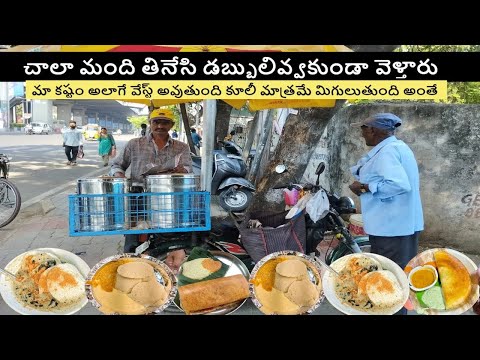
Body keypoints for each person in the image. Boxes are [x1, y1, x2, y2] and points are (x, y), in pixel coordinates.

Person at [348, 113, 424, 315]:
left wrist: (365, 187)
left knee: (392, 277)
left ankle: (393, 310)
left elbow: (399, 185)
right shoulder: (396, 147)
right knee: (398, 275)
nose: (362, 134)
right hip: (399, 224)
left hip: (392, 227)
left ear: (372, 130)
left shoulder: (388, 152)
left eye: (363, 129)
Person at [111, 108, 192, 273]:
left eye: (165, 122)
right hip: (137, 196)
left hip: (168, 199)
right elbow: (117, 164)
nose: (160, 126)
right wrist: (119, 176)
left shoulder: (181, 147)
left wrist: (179, 170)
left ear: (171, 125)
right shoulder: (135, 144)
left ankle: (167, 267)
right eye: (156, 122)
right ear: (150, 123)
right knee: (134, 238)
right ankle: (132, 269)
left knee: (170, 237)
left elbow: (188, 169)